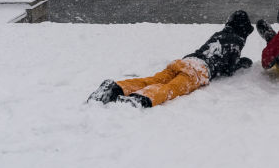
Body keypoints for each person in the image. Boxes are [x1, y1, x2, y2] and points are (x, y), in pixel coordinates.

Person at [88, 10, 254, 108]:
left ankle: (116, 87)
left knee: (153, 79)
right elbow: (228, 69)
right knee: (170, 89)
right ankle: (138, 99)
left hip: (185, 61)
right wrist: (242, 63)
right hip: (198, 71)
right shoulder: (237, 42)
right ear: (243, 30)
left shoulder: (219, 34)